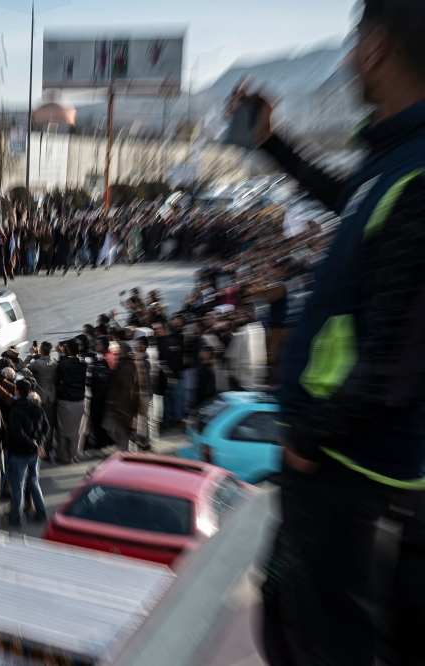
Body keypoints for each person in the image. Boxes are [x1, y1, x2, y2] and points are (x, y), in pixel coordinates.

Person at [238, 2, 425, 663]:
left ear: (376, 49)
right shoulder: (396, 157)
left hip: (353, 474)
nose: (346, 62)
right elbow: (349, 199)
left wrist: (307, 442)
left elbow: (397, 364)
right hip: (343, 466)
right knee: (289, 623)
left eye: (352, 48)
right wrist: (271, 141)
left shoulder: (417, 174)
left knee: (317, 642)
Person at [5, 379, 49, 527]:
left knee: (18, 485)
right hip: (34, 453)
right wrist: (37, 443)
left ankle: (16, 517)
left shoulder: (16, 410)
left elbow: (18, 433)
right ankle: (41, 512)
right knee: (33, 482)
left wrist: (32, 445)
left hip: (20, 452)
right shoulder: (37, 407)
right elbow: (46, 427)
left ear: (17, 391)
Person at [103, 342, 142, 452]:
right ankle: (127, 450)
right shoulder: (125, 363)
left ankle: (127, 453)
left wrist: (115, 402)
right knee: (112, 428)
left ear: (124, 351)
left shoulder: (128, 366)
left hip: (123, 405)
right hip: (121, 405)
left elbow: (126, 387)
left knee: (122, 431)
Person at [55, 339, 87, 464]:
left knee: (62, 429)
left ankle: (61, 454)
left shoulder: (63, 365)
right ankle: (72, 455)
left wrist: (61, 355)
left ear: (68, 350)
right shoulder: (84, 365)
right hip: (79, 399)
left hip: (65, 399)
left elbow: (56, 378)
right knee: (75, 430)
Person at [24, 341, 58, 448]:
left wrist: (30, 354)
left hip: (40, 396)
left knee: (38, 421)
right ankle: (47, 447)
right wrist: (39, 354)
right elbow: (44, 361)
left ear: (42, 350)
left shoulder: (37, 364)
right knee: (49, 422)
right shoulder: (53, 361)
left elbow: (24, 366)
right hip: (51, 396)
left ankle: (38, 445)